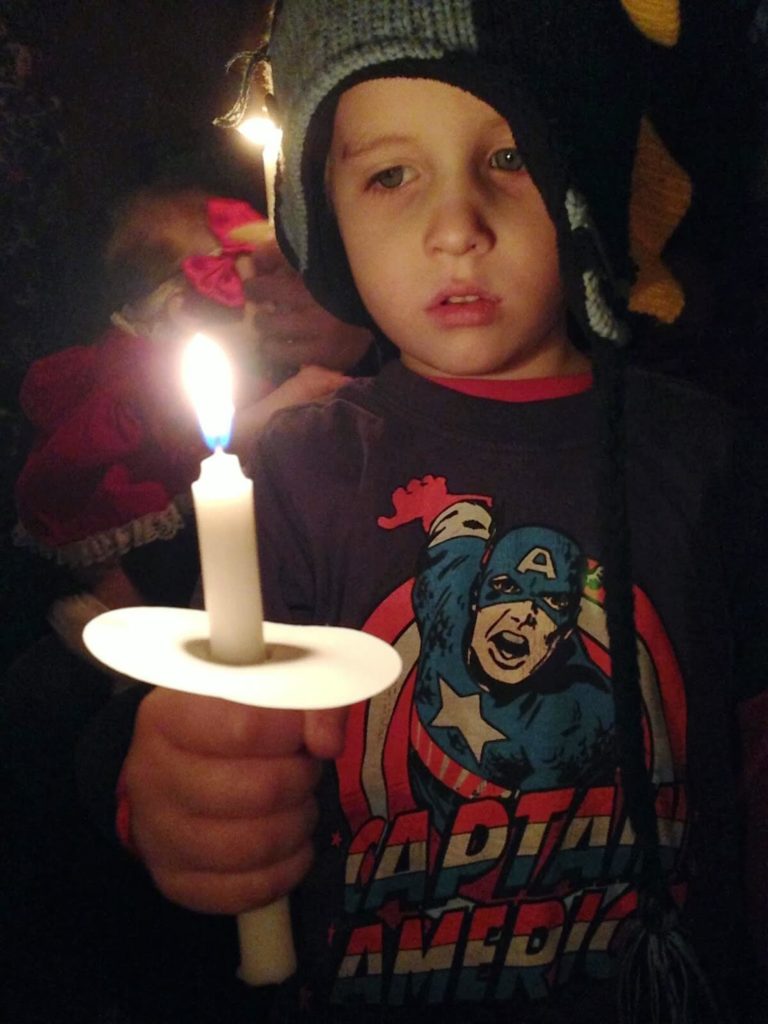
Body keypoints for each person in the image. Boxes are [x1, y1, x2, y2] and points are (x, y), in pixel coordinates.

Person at [36, 2, 768, 1022]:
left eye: (510, 156)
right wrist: (165, 789)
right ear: (320, 212)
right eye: (391, 173)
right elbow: (211, 720)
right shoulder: (297, 470)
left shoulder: (711, 453)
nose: (455, 225)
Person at [12, 185, 374, 653]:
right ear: (182, 307)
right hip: (137, 498)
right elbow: (215, 444)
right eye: (246, 299)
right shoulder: (152, 375)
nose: (267, 308)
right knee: (181, 547)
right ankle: (121, 626)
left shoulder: (152, 346)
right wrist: (289, 397)